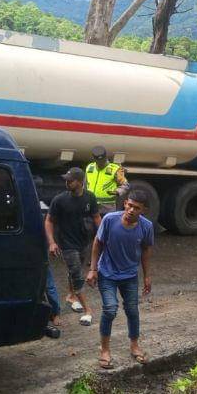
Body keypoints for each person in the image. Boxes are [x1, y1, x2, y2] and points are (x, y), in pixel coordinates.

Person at [86, 190, 154, 369]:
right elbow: (98, 242)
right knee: (110, 309)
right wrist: (93, 269)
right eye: (129, 205)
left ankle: (134, 346)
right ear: (125, 203)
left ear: (143, 210)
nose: (131, 210)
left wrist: (147, 275)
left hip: (130, 275)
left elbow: (146, 250)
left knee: (132, 310)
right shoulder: (109, 220)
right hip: (107, 273)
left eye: (136, 208)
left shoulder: (146, 227)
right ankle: (105, 350)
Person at [46, 167, 101, 326]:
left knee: (74, 270)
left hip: (83, 242)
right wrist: (52, 242)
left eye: (70, 180)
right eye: (66, 179)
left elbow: (97, 218)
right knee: (77, 274)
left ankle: (70, 296)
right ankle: (88, 310)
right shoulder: (60, 200)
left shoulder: (90, 198)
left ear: (80, 182)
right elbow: (49, 221)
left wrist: (105, 234)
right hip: (66, 244)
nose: (67, 182)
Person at [86, 146, 129, 215]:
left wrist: (117, 192)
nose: (101, 163)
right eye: (99, 161)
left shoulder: (115, 169)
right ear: (94, 159)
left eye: (103, 160)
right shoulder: (89, 168)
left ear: (106, 157)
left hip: (107, 208)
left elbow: (125, 185)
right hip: (91, 206)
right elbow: (85, 185)